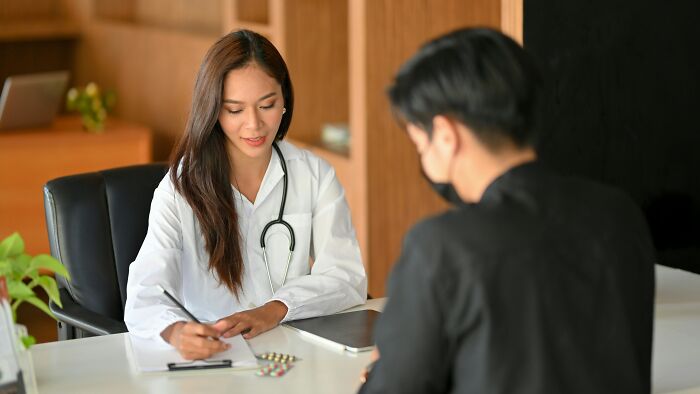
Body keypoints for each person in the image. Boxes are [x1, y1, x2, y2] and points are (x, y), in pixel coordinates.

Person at [359, 28, 655, 393]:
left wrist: (381, 371)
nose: (421, 153)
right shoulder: (618, 213)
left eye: (419, 141)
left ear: (446, 135)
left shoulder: (442, 245)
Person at [124, 30, 367, 360]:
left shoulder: (313, 174)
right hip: (214, 357)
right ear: (212, 111)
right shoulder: (182, 187)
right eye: (234, 110)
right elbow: (145, 293)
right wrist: (176, 332)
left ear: (285, 102)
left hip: (289, 353)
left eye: (267, 105)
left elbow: (346, 276)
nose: (254, 125)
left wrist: (276, 308)